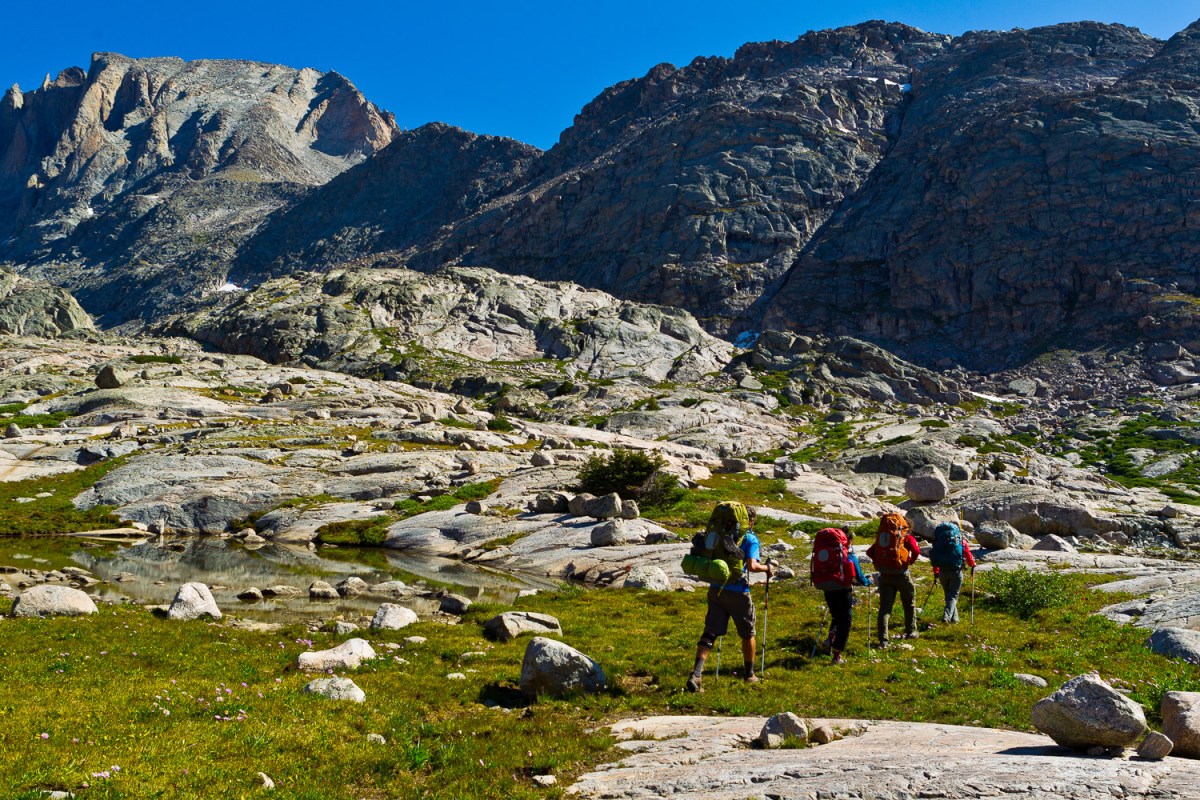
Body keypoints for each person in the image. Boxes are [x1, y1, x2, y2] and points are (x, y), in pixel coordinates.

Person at [685, 505, 773, 692]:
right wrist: (768, 569)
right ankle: (749, 675)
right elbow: (752, 566)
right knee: (748, 632)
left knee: (710, 632)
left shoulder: (717, 534)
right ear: (750, 521)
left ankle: (697, 674)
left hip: (715, 588)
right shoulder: (749, 538)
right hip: (737, 590)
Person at [813, 525, 870, 665]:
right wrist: (868, 582)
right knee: (845, 621)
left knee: (836, 615)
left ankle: (831, 636)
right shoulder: (848, 554)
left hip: (827, 588)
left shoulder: (827, 549)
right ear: (848, 541)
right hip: (842, 589)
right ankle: (836, 656)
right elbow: (858, 575)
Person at [866, 512, 921, 646]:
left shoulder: (883, 538)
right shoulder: (906, 537)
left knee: (885, 608)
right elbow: (917, 551)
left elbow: (869, 552)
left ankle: (883, 640)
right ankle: (910, 631)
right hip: (902, 574)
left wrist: (880, 562)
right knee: (909, 603)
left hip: (885, 576)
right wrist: (909, 561)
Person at [930, 520, 976, 623]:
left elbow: (936, 557)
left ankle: (955, 620)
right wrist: (973, 564)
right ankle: (946, 617)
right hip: (956, 571)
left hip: (942, 571)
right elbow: (968, 555)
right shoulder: (960, 542)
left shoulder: (938, 542)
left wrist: (936, 572)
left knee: (949, 595)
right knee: (953, 596)